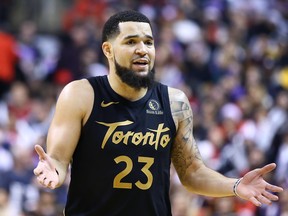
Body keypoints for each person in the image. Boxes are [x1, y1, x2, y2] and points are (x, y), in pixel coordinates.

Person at [33, 10, 283, 216]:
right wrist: (52, 170)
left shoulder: (175, 102)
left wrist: (236, 185)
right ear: (108, 50)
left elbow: (192, 173)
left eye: (149, 42)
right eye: (131, 42)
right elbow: (58, 159)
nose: (143, 49)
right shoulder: (81, 94)